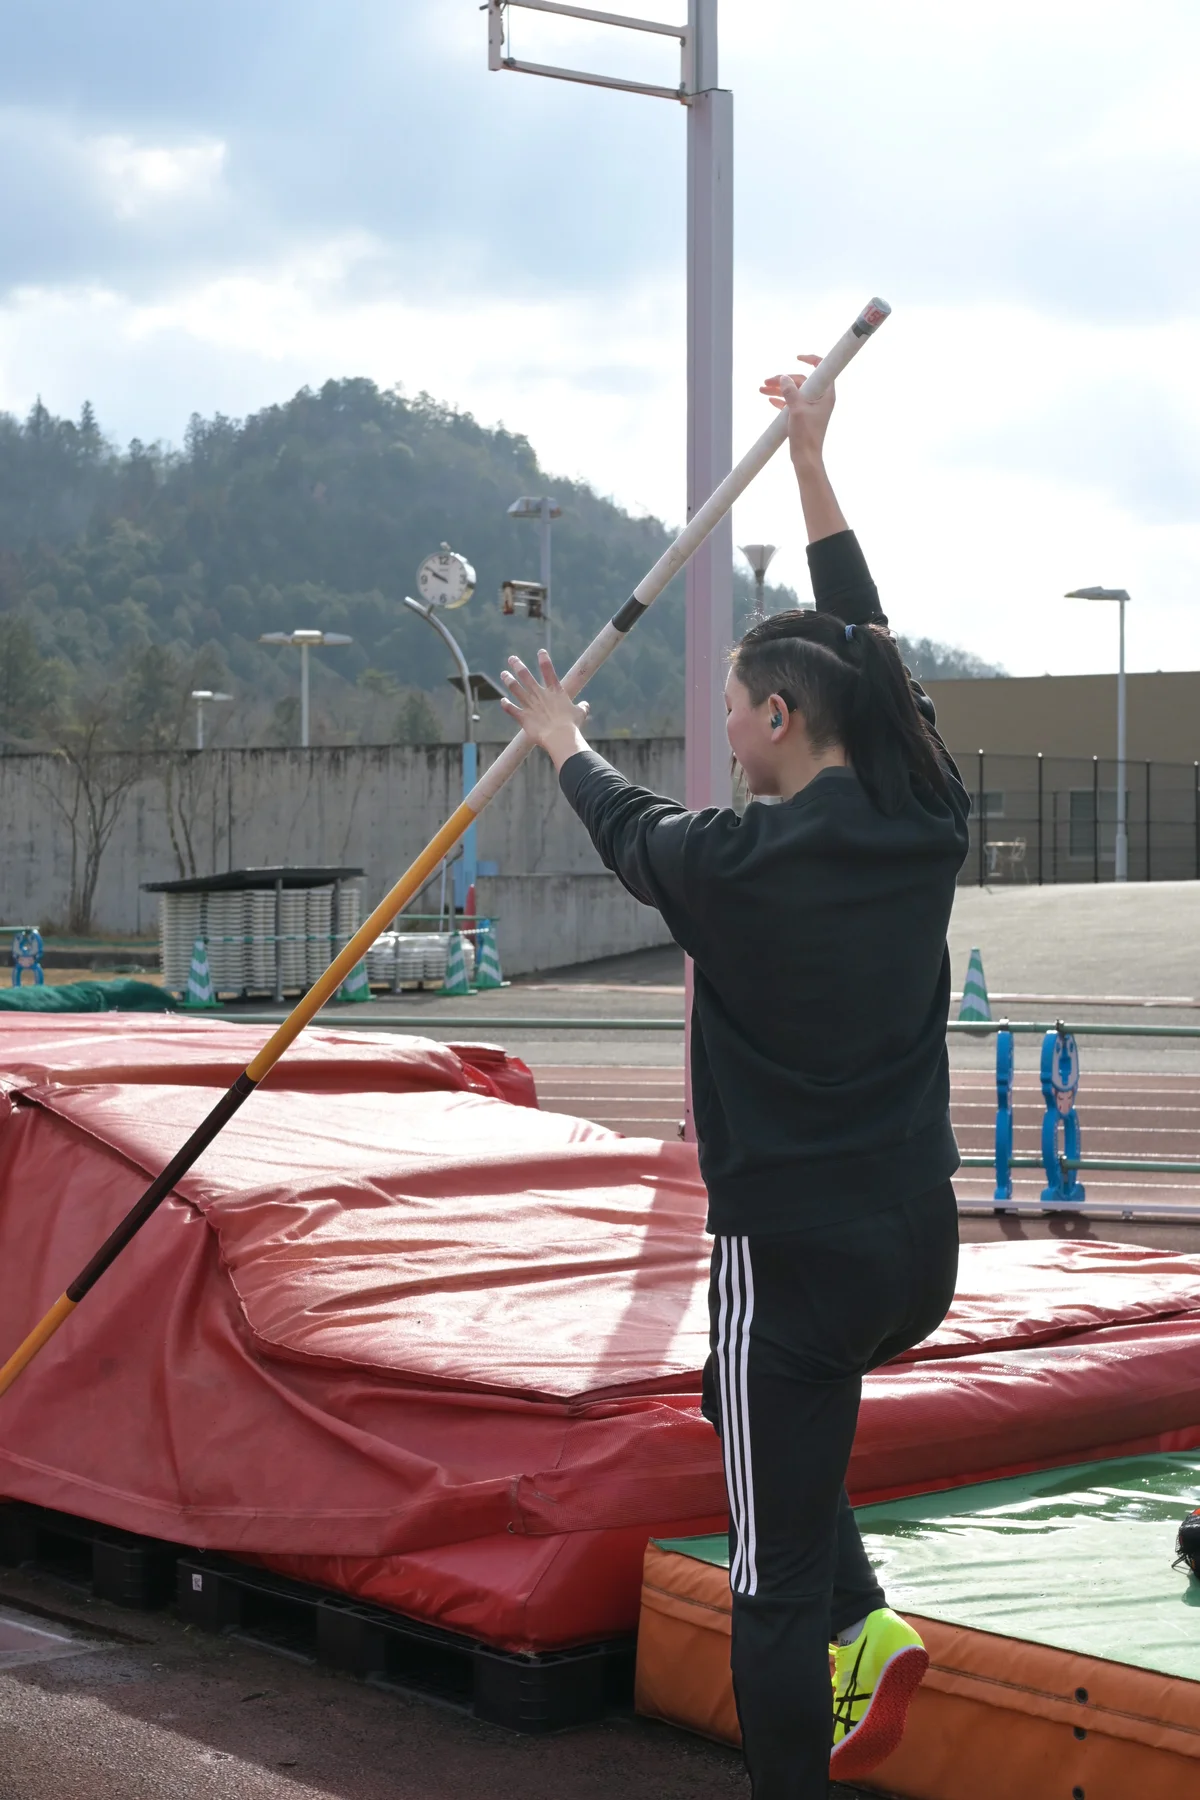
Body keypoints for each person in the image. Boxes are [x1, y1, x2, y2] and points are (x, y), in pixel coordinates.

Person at [499, 358, 971, 1800]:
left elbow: (626, 824)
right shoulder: (924, 812)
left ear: (773, 718)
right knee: (735, 1401)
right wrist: (815, 458)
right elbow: (866, 634)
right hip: (918, 1248)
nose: (719, 730)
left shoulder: (733, 868)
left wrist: (557, 740)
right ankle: (867, 1621)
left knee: (761, 1576)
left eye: (728, 708)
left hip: (799, 1259)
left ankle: (818, 1682)